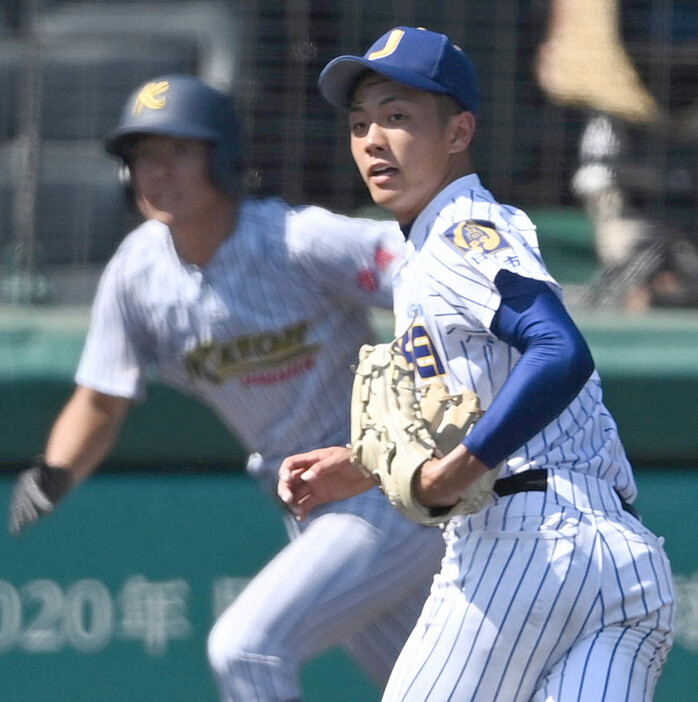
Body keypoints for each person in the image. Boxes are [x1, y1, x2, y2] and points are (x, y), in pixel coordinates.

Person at [7, 74, 446, 701]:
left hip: (381, 482)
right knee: (433, 690)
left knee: (247, 648)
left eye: (180, 152)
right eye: (145, 156)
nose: (160, 173)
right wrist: (54, 471)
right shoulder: (137, 274)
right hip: (313, 506)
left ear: (223, 157)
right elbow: (101, 398)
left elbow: (435, 273)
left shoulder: (294, 239)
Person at [278, 27, 676, 701]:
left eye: (399, 117)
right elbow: (486, 391)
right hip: (625, 572)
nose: (374, 139)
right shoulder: (448, 242)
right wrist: (368, 464)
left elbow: (560, 351)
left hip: (525, 549)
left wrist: (457, 471)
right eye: (359, 123)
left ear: (459, 132)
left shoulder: (459, 232)